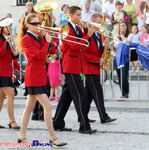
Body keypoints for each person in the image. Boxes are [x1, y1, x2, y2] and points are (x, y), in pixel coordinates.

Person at [16, 13, 67, 147]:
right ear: (28, 25)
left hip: (40, 75)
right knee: (48, 106)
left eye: (39, 23)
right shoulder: (26, 39)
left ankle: (21, 136)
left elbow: (51, 52)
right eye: (34, 24)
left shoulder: (39, 37)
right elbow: (38, 55)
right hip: (33, 76)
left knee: (28, 108)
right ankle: (53, 137)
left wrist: (51, 40)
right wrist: (47, 42)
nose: (38, 25)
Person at [53, 6, 97, 134]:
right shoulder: (66, 28)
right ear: (71, 15)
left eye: (81, 15)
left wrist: (86, 31)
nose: (80, 17)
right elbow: (75, 45)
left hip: (76, 65)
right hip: (70, 65)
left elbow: (84, 45)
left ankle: (57, 122)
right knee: (81, 94)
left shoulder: (77, 28)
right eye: (78, 15)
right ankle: (84, 125)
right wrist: (87, 35)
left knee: (66, 96)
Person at [82, 13, 116, 123]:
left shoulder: (97, 35)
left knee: (89, 95)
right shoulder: (88, 35)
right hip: (89, 69)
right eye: (98, 22)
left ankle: (82, 116)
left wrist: (106, 47)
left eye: (101, 22)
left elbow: (98, 51)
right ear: (92, 22)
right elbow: (84, 54)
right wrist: (98, 60)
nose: (100, 25)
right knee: (98, 92)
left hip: (95, 68)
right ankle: (103, 116)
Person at [0, 18, 20, 129]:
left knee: (1, 97)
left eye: (10, 26)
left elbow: (13, 56)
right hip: (1, 71)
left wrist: (15, 48)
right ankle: (12, 121)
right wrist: (6, 43)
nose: (9, 28)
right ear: (2, 28)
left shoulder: (9, 38)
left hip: (7, 70)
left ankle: (11, 121)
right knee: (11, 95)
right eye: (7, 26)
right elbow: (1, 53)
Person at [110, 21, 130, 99]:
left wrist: (121, 35)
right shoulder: (116, 36)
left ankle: (127, 90)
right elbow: (115, 46)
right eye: (120, 26)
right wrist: (111, 44)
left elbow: (126, 43)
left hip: (124, 58)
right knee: (119, 76)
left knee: (124, 77)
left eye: (123, 26)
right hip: (117, 57)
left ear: (126, 27)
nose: (121, 27)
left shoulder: (129, 35)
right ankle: (123, 93)